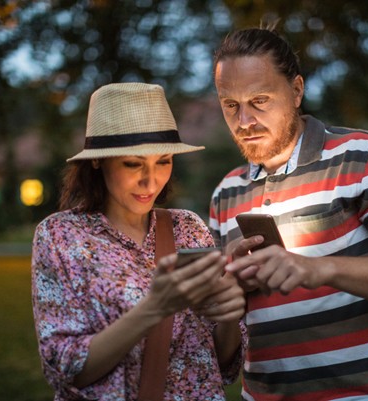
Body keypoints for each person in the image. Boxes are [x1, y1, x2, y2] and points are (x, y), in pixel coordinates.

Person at [208, 26, 368, 401]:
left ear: (296, 90)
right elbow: (221, 356)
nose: (244, 121)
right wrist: (230, 289)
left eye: (260, 100)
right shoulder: (225, 192)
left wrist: (318, 269)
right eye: (231, 105)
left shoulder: (365, 156)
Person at [31, 83, 246, 401]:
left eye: (163, 161)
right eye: (133, 163)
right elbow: (65, 371)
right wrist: (153, 309)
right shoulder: (60, 236)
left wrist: (228, 313)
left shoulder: (188, 228)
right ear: (98, 161)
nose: (151, 180)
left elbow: (221, 366)